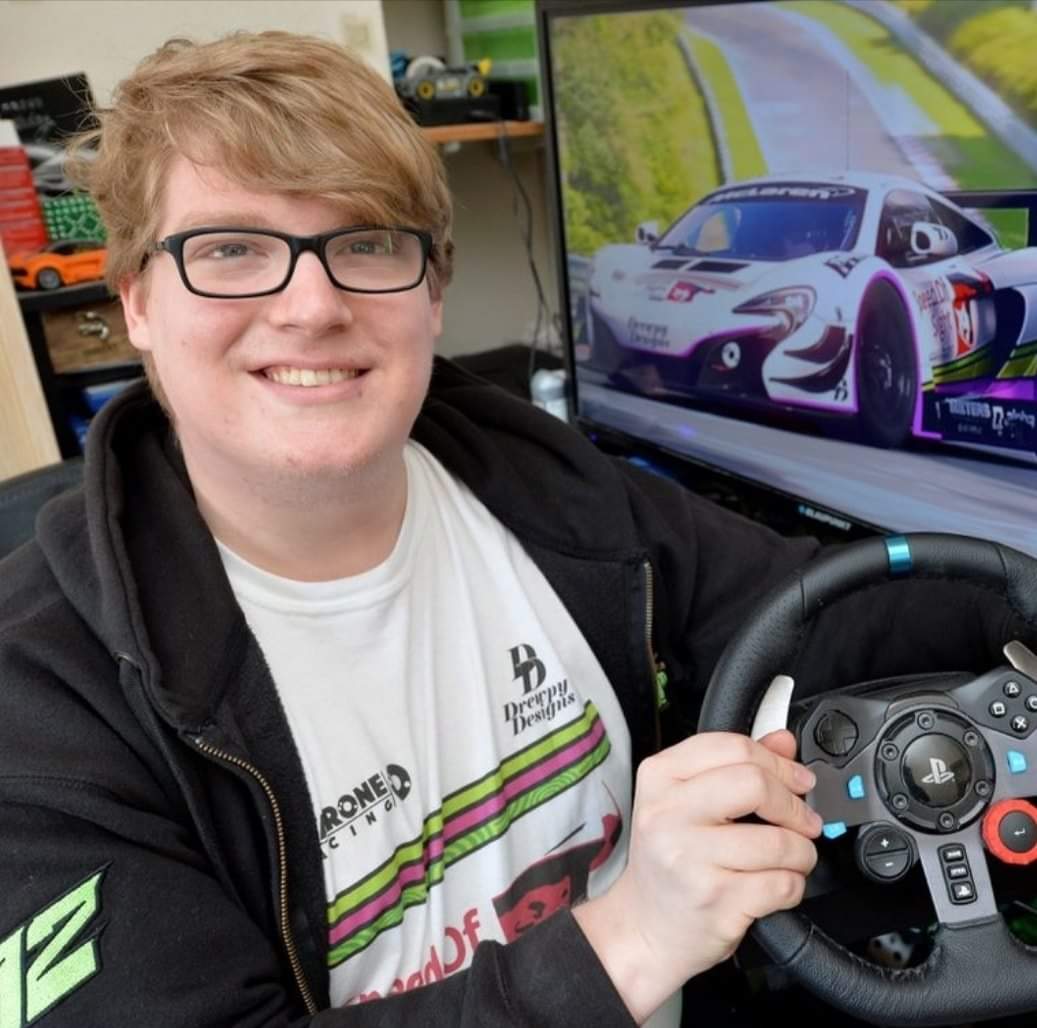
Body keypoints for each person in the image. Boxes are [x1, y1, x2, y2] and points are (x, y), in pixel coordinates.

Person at [0, 31, 1015, 1028]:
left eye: (363, 243)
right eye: (229, 249)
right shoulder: (39, 707)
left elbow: (819, 610)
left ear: (431, 290)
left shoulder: (544, 488)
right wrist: (628, 937)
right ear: (133, 296)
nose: (310, 305)